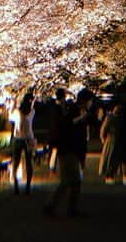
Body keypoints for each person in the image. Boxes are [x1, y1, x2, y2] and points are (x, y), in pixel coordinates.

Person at [42, 88, 94, 218]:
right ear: (86, 100)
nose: (91, 103)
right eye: (90, 101)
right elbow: (65, 125)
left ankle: (66, 207)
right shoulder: (71, 110)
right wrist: (80, 119)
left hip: (72, 149)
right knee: (68, 180)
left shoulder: (81, 111)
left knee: (73, 180)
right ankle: (53, 206)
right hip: (67, 149)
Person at [10, 92, 36, 195]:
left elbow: (10, 116)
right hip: (29, 139)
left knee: (16, 162)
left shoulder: (17, 112)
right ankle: (28, 186)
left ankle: (16, 184)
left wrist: (13, 103)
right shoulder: (32, 112)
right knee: (29, 162)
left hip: (18, 139)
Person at [99, 102, 122, 182]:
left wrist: (102, 137)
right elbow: (104, 129)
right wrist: (103, 137)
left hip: (113, 139)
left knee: (111, 158)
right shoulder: (112, 117)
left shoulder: (113, 117)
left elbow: (103, 129)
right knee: (110, 158)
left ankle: (110, 175)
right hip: (111, 139)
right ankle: (109, 175)